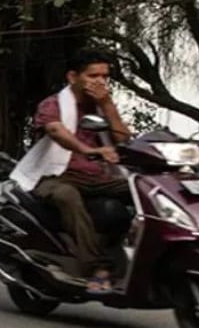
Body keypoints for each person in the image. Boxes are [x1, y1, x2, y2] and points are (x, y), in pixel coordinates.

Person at [10, 51, 133, 292]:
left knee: (143, 190)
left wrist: (107, 105)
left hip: (98, 177)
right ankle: (96, 269)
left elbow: (124, 140)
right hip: (54, 176)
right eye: (92, 75)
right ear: (73, 77)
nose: (100, 82)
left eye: (104, 76)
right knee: (67, 196)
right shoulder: (53, 104)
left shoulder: (101, 108)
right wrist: (87, 149)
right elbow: (56, 131)